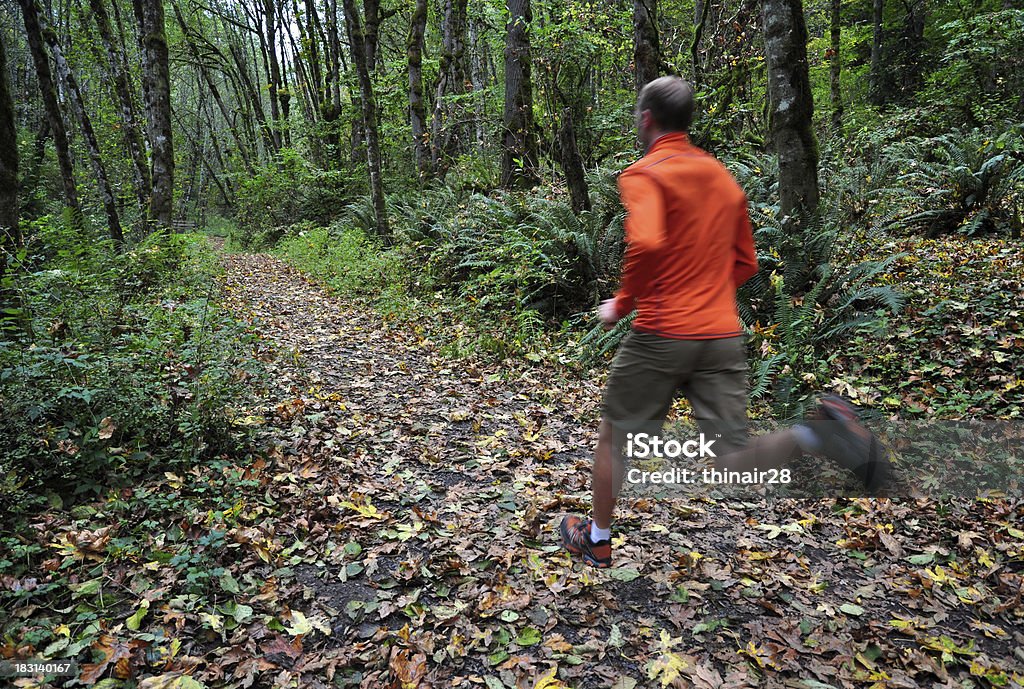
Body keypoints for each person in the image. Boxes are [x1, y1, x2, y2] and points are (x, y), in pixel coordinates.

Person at [559, 76, 891, 568]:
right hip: (719, 334)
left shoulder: (645, 174)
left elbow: (648, 244)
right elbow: (747, 264)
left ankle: (598, 539)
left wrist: (623, 302)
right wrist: (707, 294)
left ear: (647, 118)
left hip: (660, 333)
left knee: (616, 435)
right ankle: (816, 435)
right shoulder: (722, 178)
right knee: (728, 461)